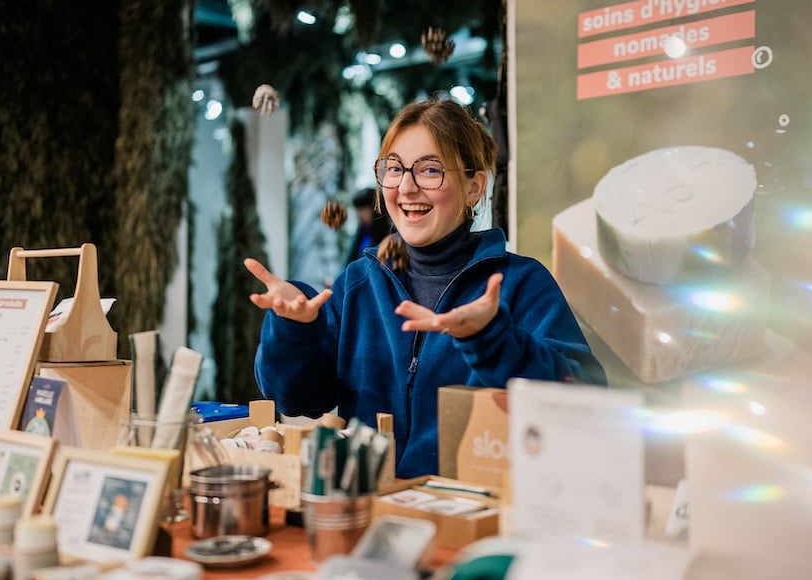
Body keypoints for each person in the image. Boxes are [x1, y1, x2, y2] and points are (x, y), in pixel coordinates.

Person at [244, 99, 606, 479]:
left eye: (430, 170)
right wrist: (295, 330)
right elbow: (297, 399)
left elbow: (585, 403)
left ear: (474, 187)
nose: (406, 187)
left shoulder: (519, 284)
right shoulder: (360, 283)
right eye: (394, 169)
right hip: (371, 510)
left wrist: (491, 339)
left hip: (471, 520)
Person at [345, 186, 392, 265]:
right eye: (357, 210)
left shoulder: (389, 235)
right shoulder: (361, 232)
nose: (358, 215)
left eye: (362, 209)